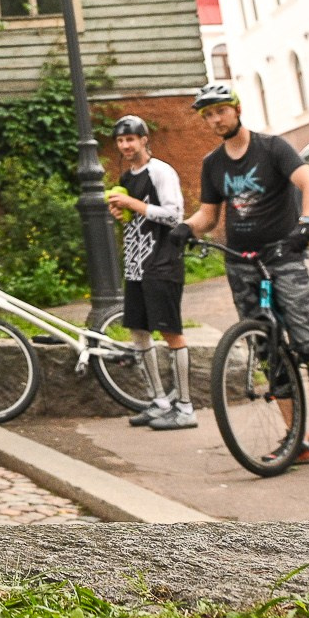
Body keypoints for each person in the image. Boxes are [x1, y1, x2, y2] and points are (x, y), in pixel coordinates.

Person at [183, 82, 309, 478]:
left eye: (219, 111)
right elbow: (207, 218)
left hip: (282, 257)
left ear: (236, 109)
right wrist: (180, 230)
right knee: (268, 350)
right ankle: (299, 440)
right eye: (207, 114)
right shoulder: (212, 164)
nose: (214, 119)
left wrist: (306, 224)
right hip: (241, 263)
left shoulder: (272, 148)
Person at [104, 115, 193, 431]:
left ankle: (185, 407)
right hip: (137, 266)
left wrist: (132, 204)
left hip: (162, 262)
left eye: (131, 138)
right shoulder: (127, 176)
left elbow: (174, 215)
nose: (126, 145)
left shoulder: (160, 171)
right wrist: (122, 212)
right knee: (139, 332)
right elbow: (137, 220)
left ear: (144, 140)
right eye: (120, 140)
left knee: (171, 332)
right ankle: (159, 401)